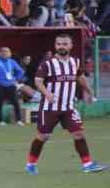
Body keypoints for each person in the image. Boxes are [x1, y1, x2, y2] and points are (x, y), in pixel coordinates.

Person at [25, 34, 106, 175]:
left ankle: (87, 164)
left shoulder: (75, 62)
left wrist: (89, 92)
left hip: (68, 107)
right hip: (49, 108)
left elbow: (80, 77)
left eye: (64, 44)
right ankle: (31, 164)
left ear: (70, 46)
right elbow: (38, 81)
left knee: (79, 134)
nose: (61, 46)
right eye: (59, 44)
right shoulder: (48, 64)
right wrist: (47, 94)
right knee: (43, 136)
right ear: (55, 46)